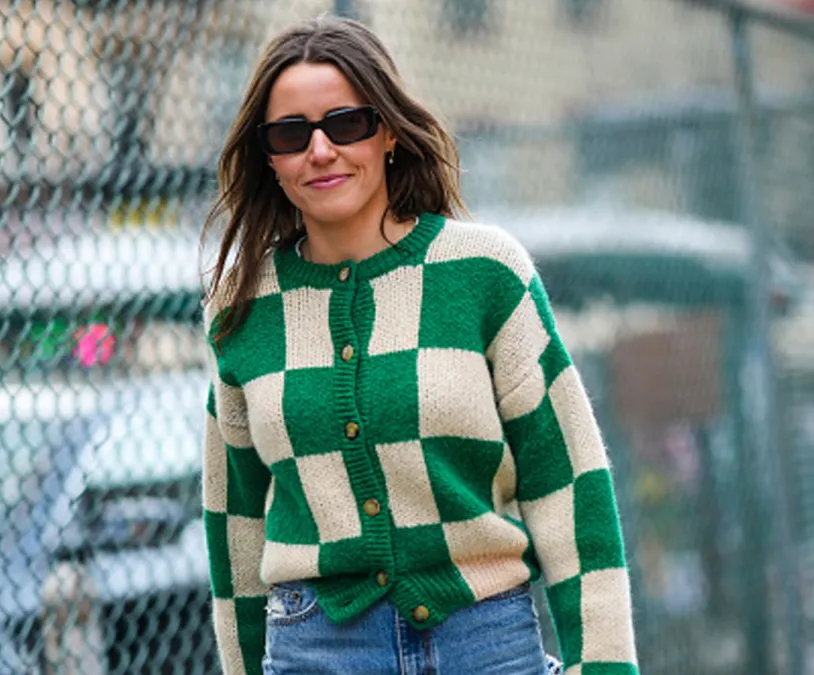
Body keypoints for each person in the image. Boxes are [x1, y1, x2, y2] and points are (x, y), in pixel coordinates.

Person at [198, 15, 638, 675]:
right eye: (291, 133)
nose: (320, 150)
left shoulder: (485, 272)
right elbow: (234, 521)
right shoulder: (243, 304)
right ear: (268, 156)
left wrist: (602, 664)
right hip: (316, 649)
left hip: (486, 642)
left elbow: (567, 478)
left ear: (389, 134)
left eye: (345, 123)